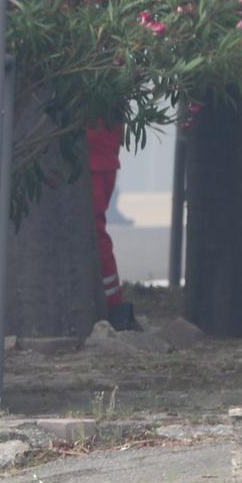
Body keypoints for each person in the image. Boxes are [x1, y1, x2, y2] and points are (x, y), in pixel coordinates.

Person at [88, 121, 137, 330]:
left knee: (95, 232)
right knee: (96, 231)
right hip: (100, 156)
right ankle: (112, 302)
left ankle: (113, 304)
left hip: (96, 157)